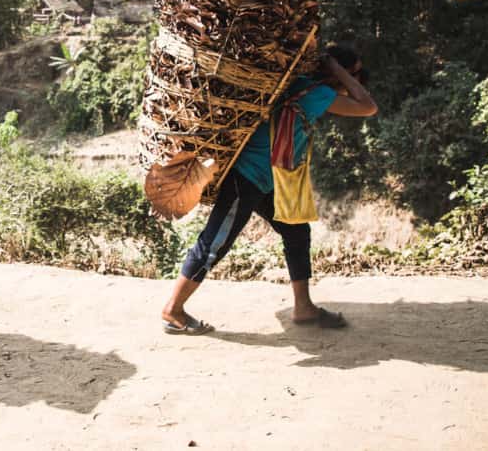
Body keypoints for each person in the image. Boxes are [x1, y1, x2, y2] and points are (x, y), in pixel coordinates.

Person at [160, 47, 376, 335]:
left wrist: (337, 69)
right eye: (355, 74)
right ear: (340, 73)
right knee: (214, 243)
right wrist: (338, 69)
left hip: (269, 181)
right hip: (247, 176)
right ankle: (172, 310)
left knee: (297, 230)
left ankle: (303, 307)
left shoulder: (299, 84)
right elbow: (367, 106)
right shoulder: (315, 93)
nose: (357, 80)